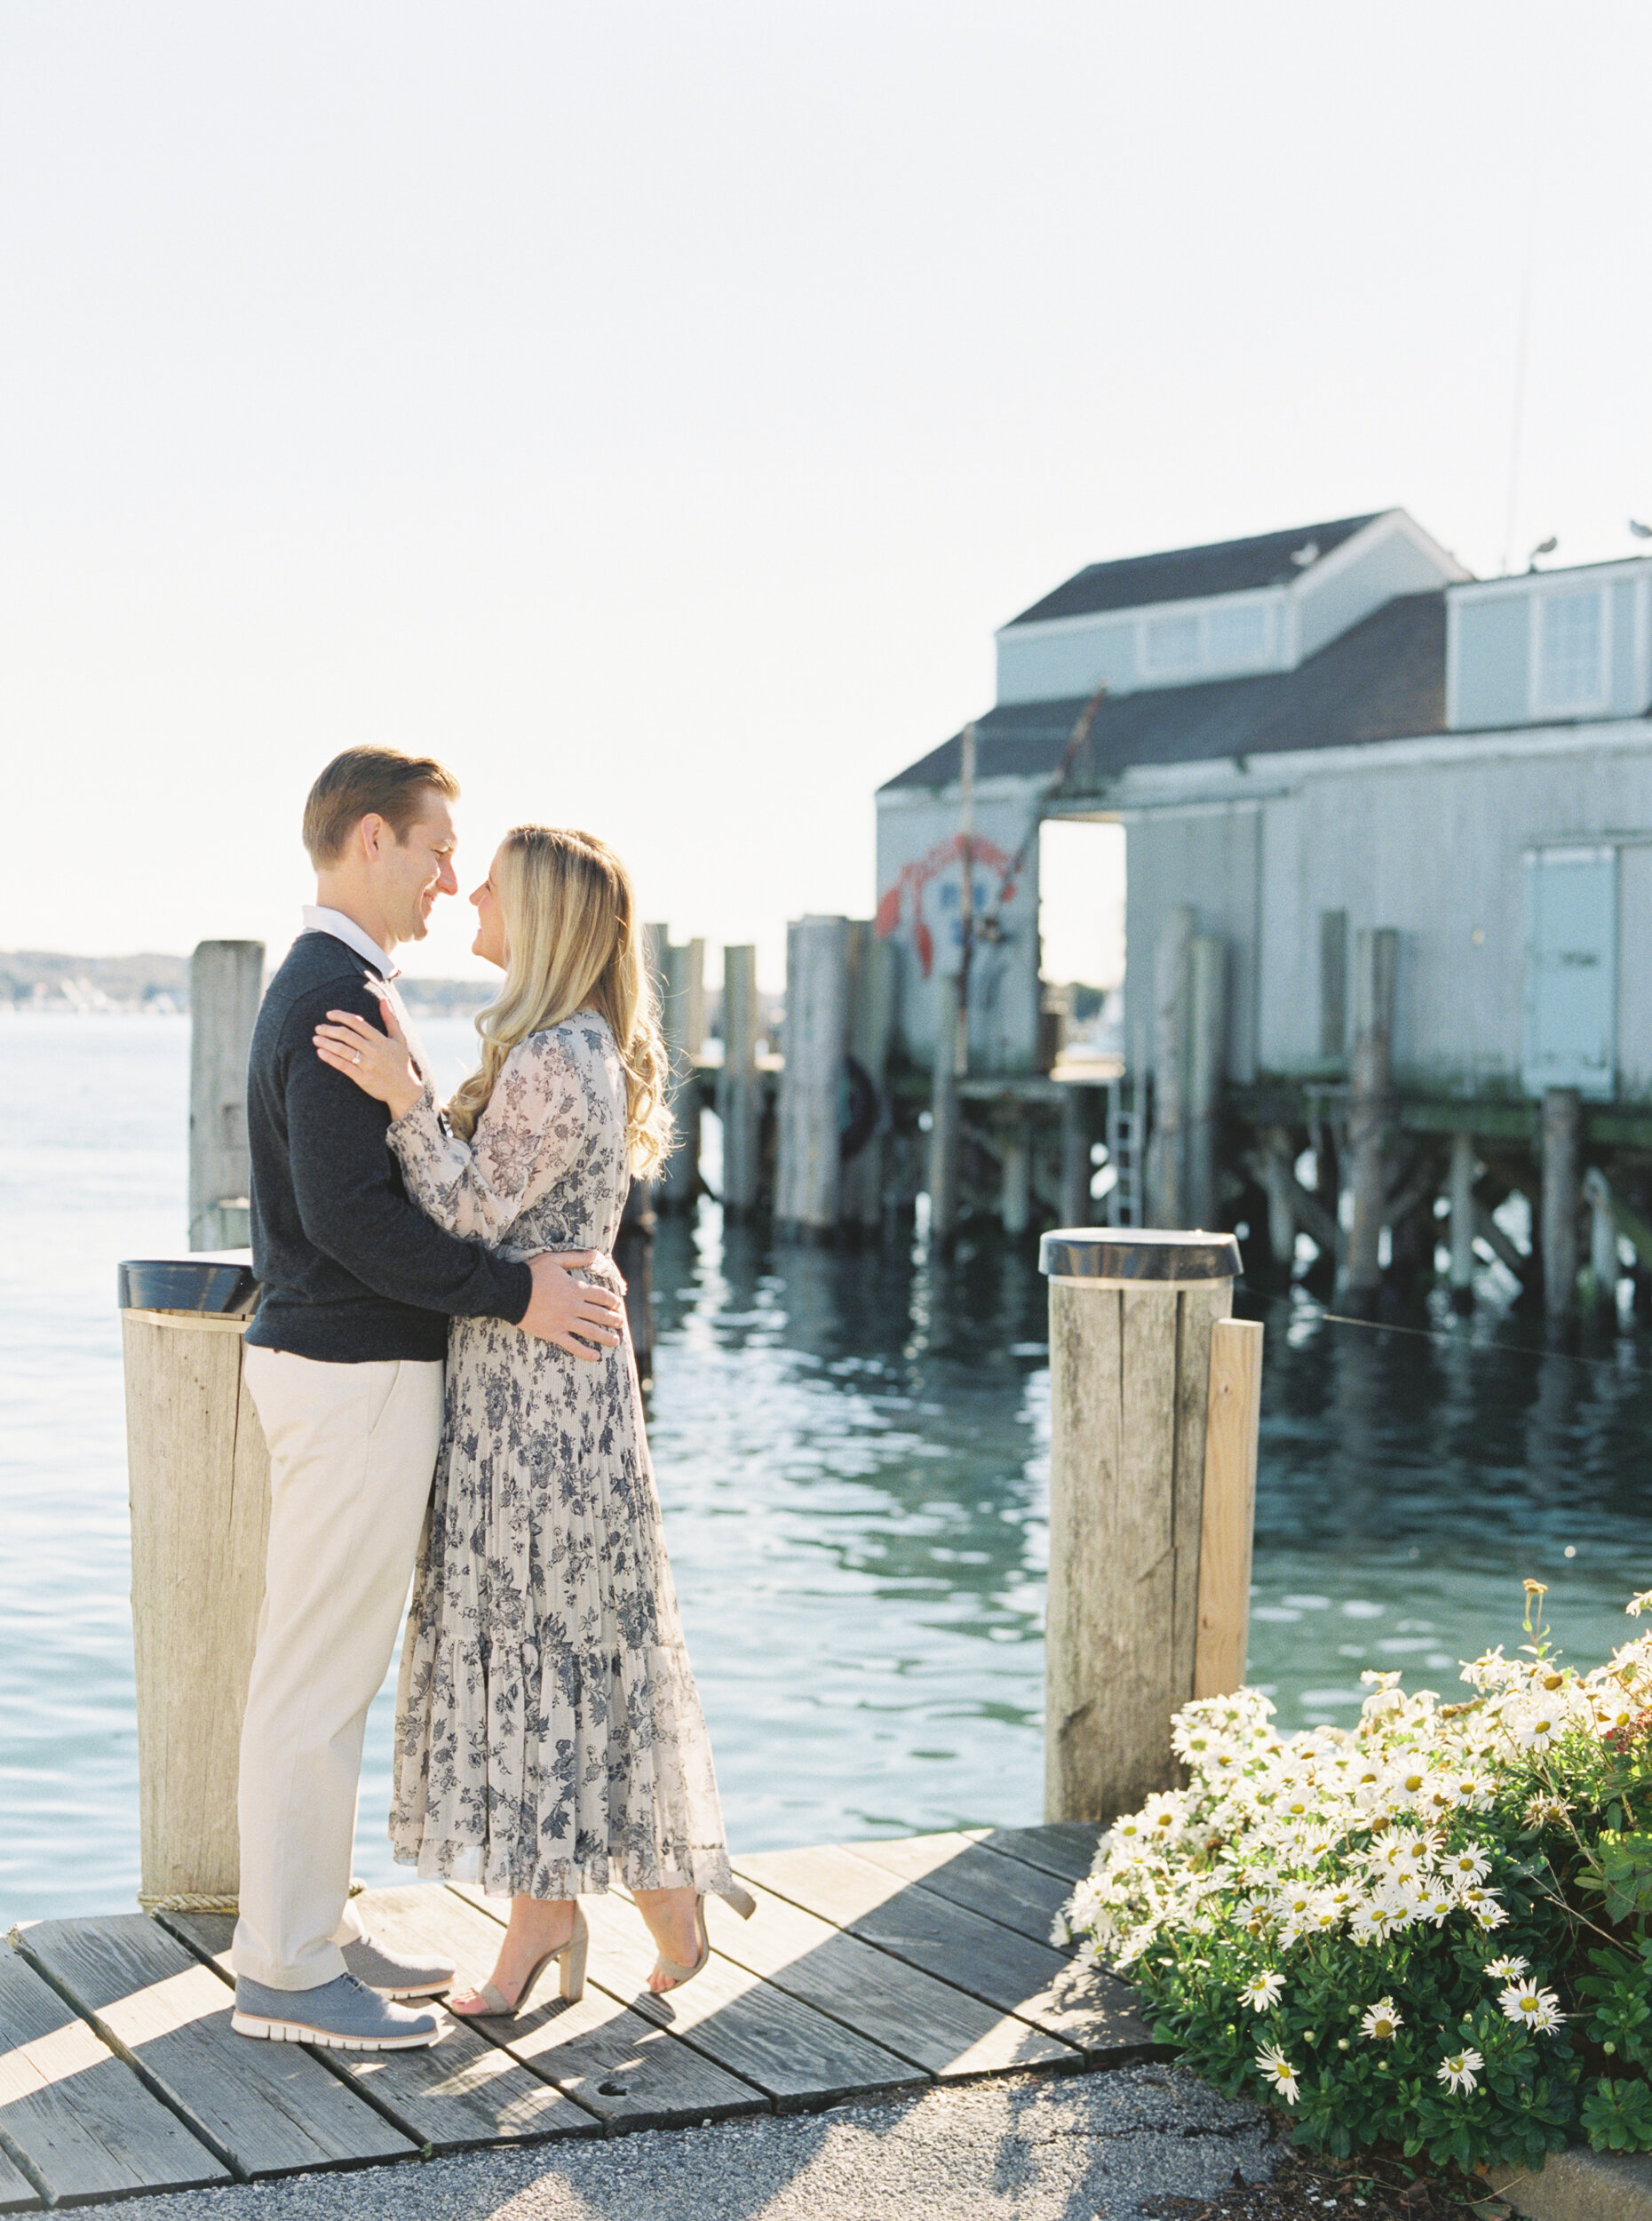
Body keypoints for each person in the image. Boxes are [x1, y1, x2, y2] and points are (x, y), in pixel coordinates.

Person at [312, 822, 751, 2019]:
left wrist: (404, 1098)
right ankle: (637, 1890)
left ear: (548, 918)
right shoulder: (568, 1047)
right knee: (557, 1635)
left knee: (533, 1642)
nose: (471, 898)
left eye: (495, 885)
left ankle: (552, 1915)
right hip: (542, 1380)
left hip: (537, 1395)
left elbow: (466, 1214)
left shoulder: (558, 1056)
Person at [230, 750, 628, 2053]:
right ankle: (285, 1968)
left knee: (330, 1668)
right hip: (348, 1375)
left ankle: (308, 1928)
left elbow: (374, 1200)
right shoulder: (335, 991)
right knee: (316, 1675)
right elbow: (351, 1220)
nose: (451, 876)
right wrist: (518, 1297)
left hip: (350, 1371)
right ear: (368, 841)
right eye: (434, 848)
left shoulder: (345, 985)